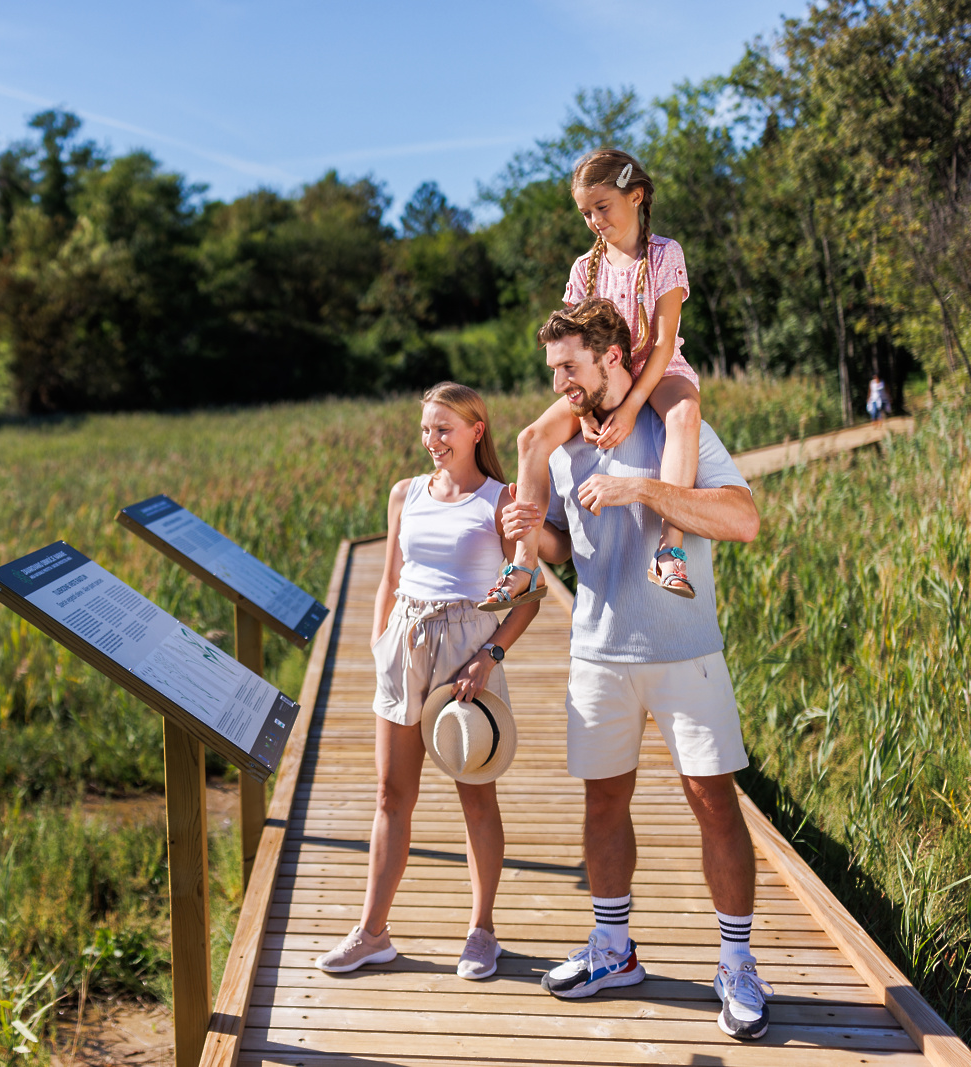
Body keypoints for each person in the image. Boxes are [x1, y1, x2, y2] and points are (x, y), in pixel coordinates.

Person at [498, 299, 772, 1041]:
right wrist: (535, 533)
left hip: (686, 653)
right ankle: (613, 950)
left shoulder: (674, 425)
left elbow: (743, 519)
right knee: (601, 806)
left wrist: (643, 487)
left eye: (568, 368)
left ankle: (738, 962)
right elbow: (564, 546)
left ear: (612, 358)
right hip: (598, 655)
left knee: (714, 802)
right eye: (554, 369)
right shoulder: (561, 447)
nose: (559, 383)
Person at [315, 382, 540, 981]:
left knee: (475, 794)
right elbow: (391, 577)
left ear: (476, 430)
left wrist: (488, 656)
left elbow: (529, 598)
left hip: (469, 647)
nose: (432, 441)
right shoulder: (405, 493)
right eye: (426, 430)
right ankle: (372, 933)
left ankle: (482, 930)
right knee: (392, 794)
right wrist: (378, 641)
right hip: (405, 645)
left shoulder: (501, 500)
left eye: (444, 429)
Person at [484, 149, 703, 612]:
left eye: (602, 208)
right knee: (531, 438)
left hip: (655, 370)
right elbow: (570, 347)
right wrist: (584, 408)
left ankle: (669, 549)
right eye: (585, 212)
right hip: (599, 376)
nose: (594, 220)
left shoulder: (665, 254)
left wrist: (628, 409)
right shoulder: (584, 267)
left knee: (684, 412)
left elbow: (663, 343)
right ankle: (524, 566)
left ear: (636, 196)